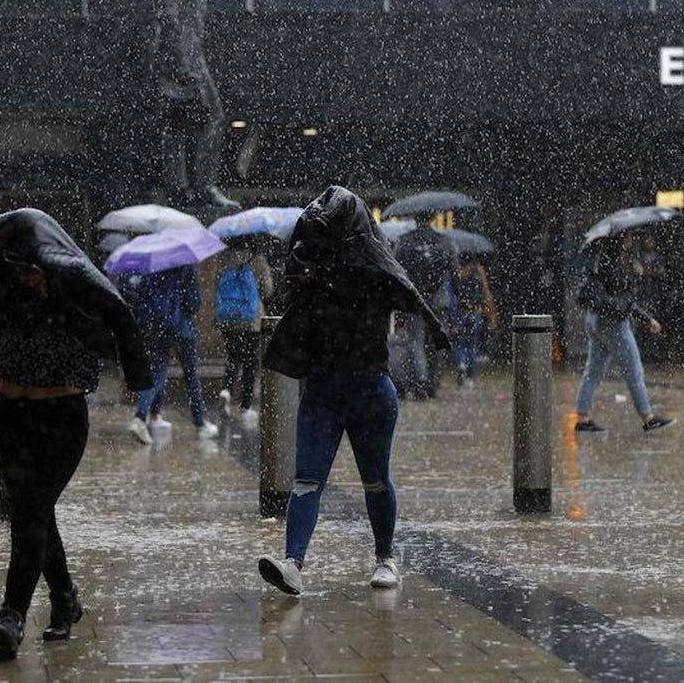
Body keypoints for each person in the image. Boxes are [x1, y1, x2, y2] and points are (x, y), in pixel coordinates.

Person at [0, 208, 151, 659]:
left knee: (31, 510)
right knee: (33, 512)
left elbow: (112, 329)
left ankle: (12, 615)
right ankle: (65, 599)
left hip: (62, 417)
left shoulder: (74, 287)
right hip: (13, 415)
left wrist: (51, 290)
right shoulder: (1, 288)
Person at [257, 186, 449, 596]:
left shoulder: (375, 271)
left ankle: (386, 558)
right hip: (324, 391)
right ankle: (292, 563)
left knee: (375, 479)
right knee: (306, 479)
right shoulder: (315, 270)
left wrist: (435, 327)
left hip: (368, 391)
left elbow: (408, 292)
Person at [150, 0, 239, 210]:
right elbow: (169, 19)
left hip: (188, 55)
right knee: (210, 116)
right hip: (183, 59)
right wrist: (183, 65)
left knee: (181, 123)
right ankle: (201, 186)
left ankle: (184, 186)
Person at [574, 231, 675, 433]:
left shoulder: (601, 260)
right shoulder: (615, 265)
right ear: (620, 241)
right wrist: (636, 275)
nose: (631, 240)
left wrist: (646, 319)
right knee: (634, 371)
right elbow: (624, 301)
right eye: (627, 237)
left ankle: (583, 418)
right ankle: (648, 417)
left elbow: (619, 300)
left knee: (593, 370)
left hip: (595, 319)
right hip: (613, 325)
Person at [120, 264, 218, 443]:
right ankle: (200, 423)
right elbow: (194, 303)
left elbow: (139, 295)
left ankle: (142, 417)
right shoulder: (185, 267)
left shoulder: (152, 266)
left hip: (157, 327)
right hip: (182, 329)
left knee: (157, 372)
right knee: (191, 375)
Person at [393, 217, 458, 399]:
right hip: (439, 300)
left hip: (415, 299)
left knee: (416, 341)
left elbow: (396, 271)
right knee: (438, 340)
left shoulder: (405, 242)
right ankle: (433, 381)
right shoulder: (444, 241)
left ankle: (420, 381)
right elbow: (454, 270)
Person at [215, 248, 272, 424]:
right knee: (250, 363)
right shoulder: (258, 260)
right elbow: (268, 289)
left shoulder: (226, 259)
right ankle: (246, 406)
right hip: (251, 320)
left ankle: (226, 390)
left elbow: (218, 286)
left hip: (228, 318)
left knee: (233, 357)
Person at [452, 256, 499, 387]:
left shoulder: (457, 276)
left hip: (461, 313)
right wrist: (491, 316)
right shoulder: (478, 276)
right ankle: (470, 378)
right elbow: (486, 294)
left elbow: (453, 298)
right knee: (472, 345)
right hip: (476, 313)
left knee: (460, 343)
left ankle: (461, 363)